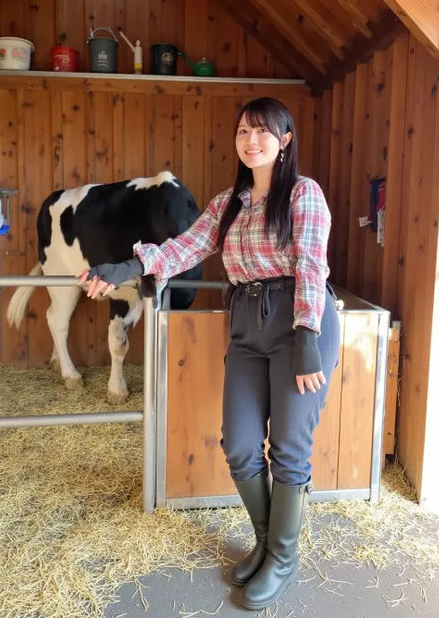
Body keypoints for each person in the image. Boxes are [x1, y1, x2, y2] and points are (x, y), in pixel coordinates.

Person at [77, 97, 341, 611]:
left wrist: (308, 335)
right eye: (244, 130)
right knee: (240, 443)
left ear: (285, 141)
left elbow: (311, 262)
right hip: (246, 323)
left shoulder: (304, 194)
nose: (252, 140)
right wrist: (126, 269)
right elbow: (185, 247)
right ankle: (266, 543)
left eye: (263, 131)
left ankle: (282, 560)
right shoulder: (228, 204)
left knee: (289, 447)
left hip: (299, 322)